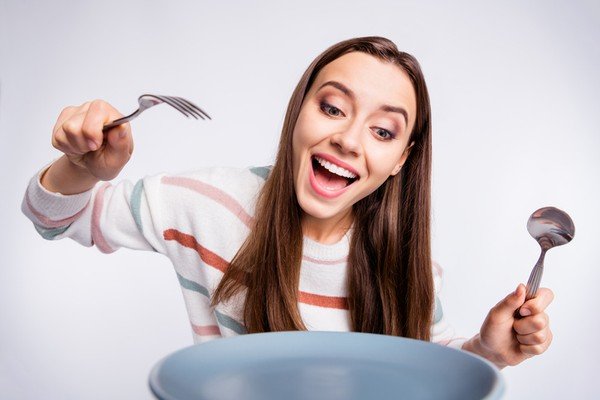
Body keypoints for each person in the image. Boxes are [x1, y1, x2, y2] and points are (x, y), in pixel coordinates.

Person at [22, 36, 553, 369]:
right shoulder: (209, 206)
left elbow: (420, 366)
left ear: (401, 161)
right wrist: (81, 168)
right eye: (332, 107)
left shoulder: (411, 263)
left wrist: (486, 352)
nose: (349, 140)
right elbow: (52, 217)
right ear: (299, 111)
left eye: (384, 132)